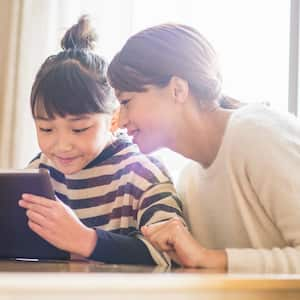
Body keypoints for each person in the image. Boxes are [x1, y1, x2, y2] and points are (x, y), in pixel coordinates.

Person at [107, 23, 300, 273]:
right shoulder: (188, 182)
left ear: (177, 89)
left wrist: (212, 258)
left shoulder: (258, 133)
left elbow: (209, 261)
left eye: (126, 102)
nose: (120, 121)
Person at [18, 16, 183, 266]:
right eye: (46, 128)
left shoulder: (142, 175)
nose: (62, 145)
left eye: (79, 129)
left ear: (114, 118)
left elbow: (172, 255)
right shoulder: (37, 176)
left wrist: (87, 241)